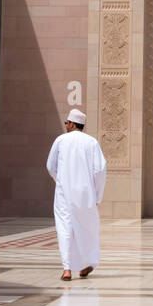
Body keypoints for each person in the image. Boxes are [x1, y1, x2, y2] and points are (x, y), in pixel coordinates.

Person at [46, 108, 107, 281]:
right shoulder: (92, 142)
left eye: (67, 123)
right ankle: (86, 263)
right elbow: (100, 170)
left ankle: (67, 269)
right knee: (88, 228)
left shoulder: (61, 140)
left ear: (72, 124)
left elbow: (50, 166)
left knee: (65, 228)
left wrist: (61, 180)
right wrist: (97, 194)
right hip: (86, 194)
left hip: (64, 193)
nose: (66, 125)